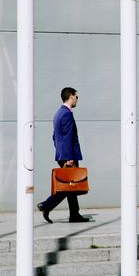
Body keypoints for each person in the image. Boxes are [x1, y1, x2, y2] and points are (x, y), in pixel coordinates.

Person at [37, 87, 90, 223]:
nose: (77, 99)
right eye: (76, 97)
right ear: (71, 96)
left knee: (71, 186)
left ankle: (74, 214)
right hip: (68, 157)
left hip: (62, 155)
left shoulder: (58, 113)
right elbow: (68, 137)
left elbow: (54, 137)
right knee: (68, 186)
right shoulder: (66, 114)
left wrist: (60, 153)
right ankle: (46, 205)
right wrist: (69, 158)